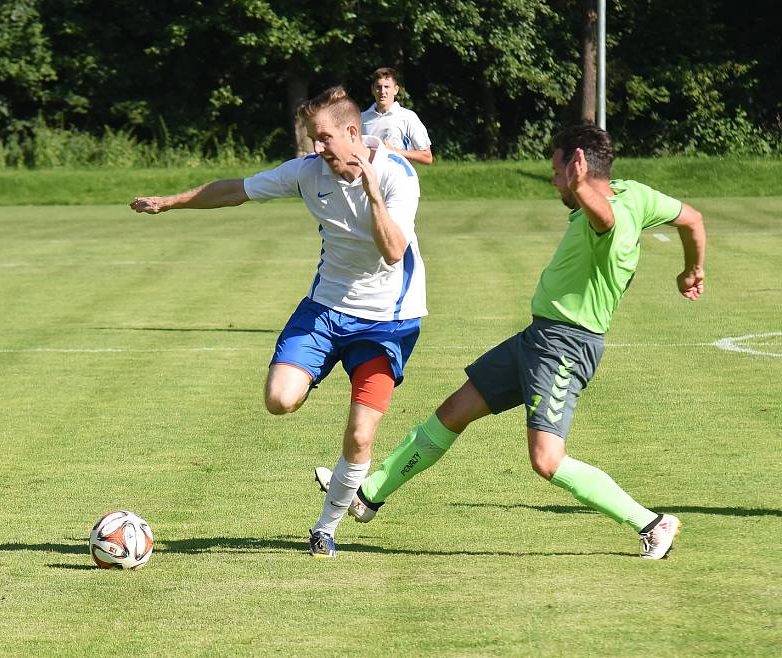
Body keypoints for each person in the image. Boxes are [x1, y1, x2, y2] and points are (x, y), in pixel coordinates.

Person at [316, 123, 706, 559]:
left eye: (557, 170)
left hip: (565, 346)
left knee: (546, 460)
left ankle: (653, 524)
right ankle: (367, 495)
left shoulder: (607, 217)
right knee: (453, 412)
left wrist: (579, 189)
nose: (553, 180)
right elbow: (692, 219)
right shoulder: (633, 192)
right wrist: (693, 269)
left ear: (577, 165)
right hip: (537, 338)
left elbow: (605, 219)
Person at [130, 86, 427, 559]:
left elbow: (393, 252)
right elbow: (235, 190)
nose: (317, 148)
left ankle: (325, 527)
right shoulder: (309, 173)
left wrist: (372, 194)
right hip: (326, 309)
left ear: (353, 133)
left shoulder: (396, 175)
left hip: (387, 322)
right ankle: (316, 372)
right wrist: (171, 201)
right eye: (313, 138)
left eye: (324, 138)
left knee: (360, 434)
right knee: (278, 399)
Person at [361, 67, 433, 165]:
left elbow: (427, 157)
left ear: (395, 90)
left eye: (387, 87)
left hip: (400, 179)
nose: (382, 91)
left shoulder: (408, 117)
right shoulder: (362, 118)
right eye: (378, 87)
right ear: (372, 90)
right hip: (371, 179)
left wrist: (395, 151)